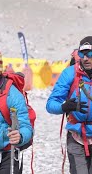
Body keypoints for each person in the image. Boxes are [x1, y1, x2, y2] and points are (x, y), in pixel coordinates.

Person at [46, 36, 92, 174]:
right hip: (76, 135)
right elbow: (50, 104)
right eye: (82, 54)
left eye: (90, 54)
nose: (86, 58)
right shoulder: (70, 73)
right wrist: (64, 107)